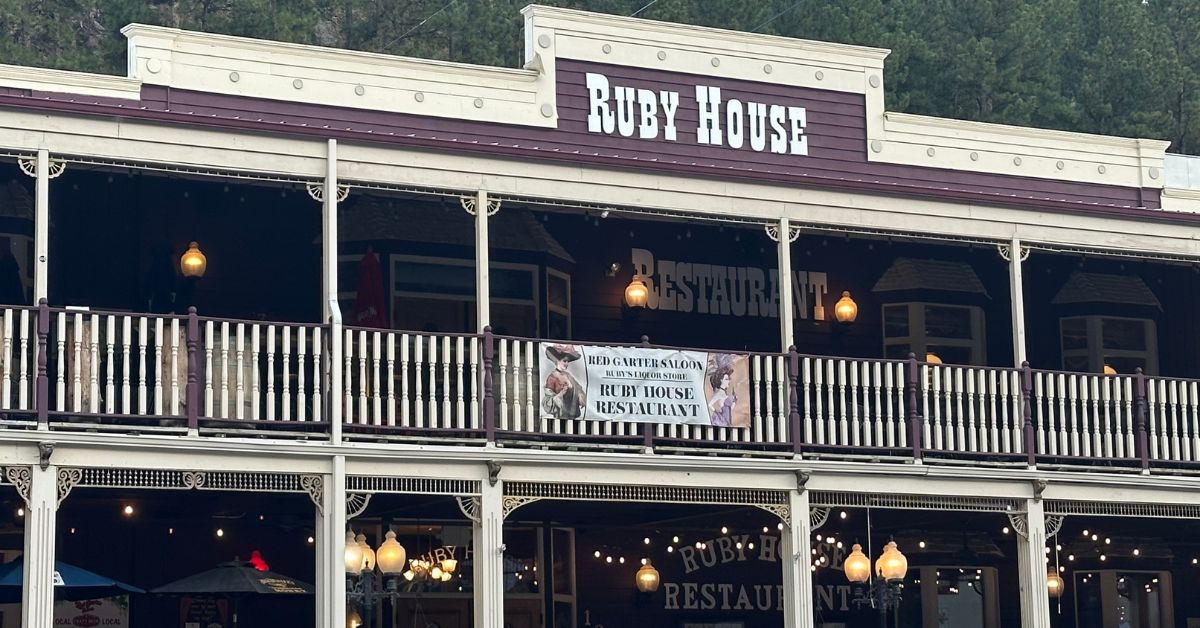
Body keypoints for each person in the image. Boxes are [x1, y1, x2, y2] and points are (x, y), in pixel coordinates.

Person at [542, 344, 585, 420]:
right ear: (557, 361)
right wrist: (561, 394)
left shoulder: (568, 375)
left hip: (572, 414)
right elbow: (548, 400)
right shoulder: (552, 377)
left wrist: (580, 395)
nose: (566, 364)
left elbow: (578, 388)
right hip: (560, 416)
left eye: (568, 361)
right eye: (564, 361)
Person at [707, 355, 738, 427]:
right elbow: (710, 404)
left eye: (728, 379)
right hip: (723, 421)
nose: (728, 381)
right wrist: (718, 414)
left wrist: (734, 401)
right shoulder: (719, 393)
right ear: (721, 380)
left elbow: (729, 409)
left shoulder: (724, 393)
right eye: (726, 379)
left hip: (728, 421)